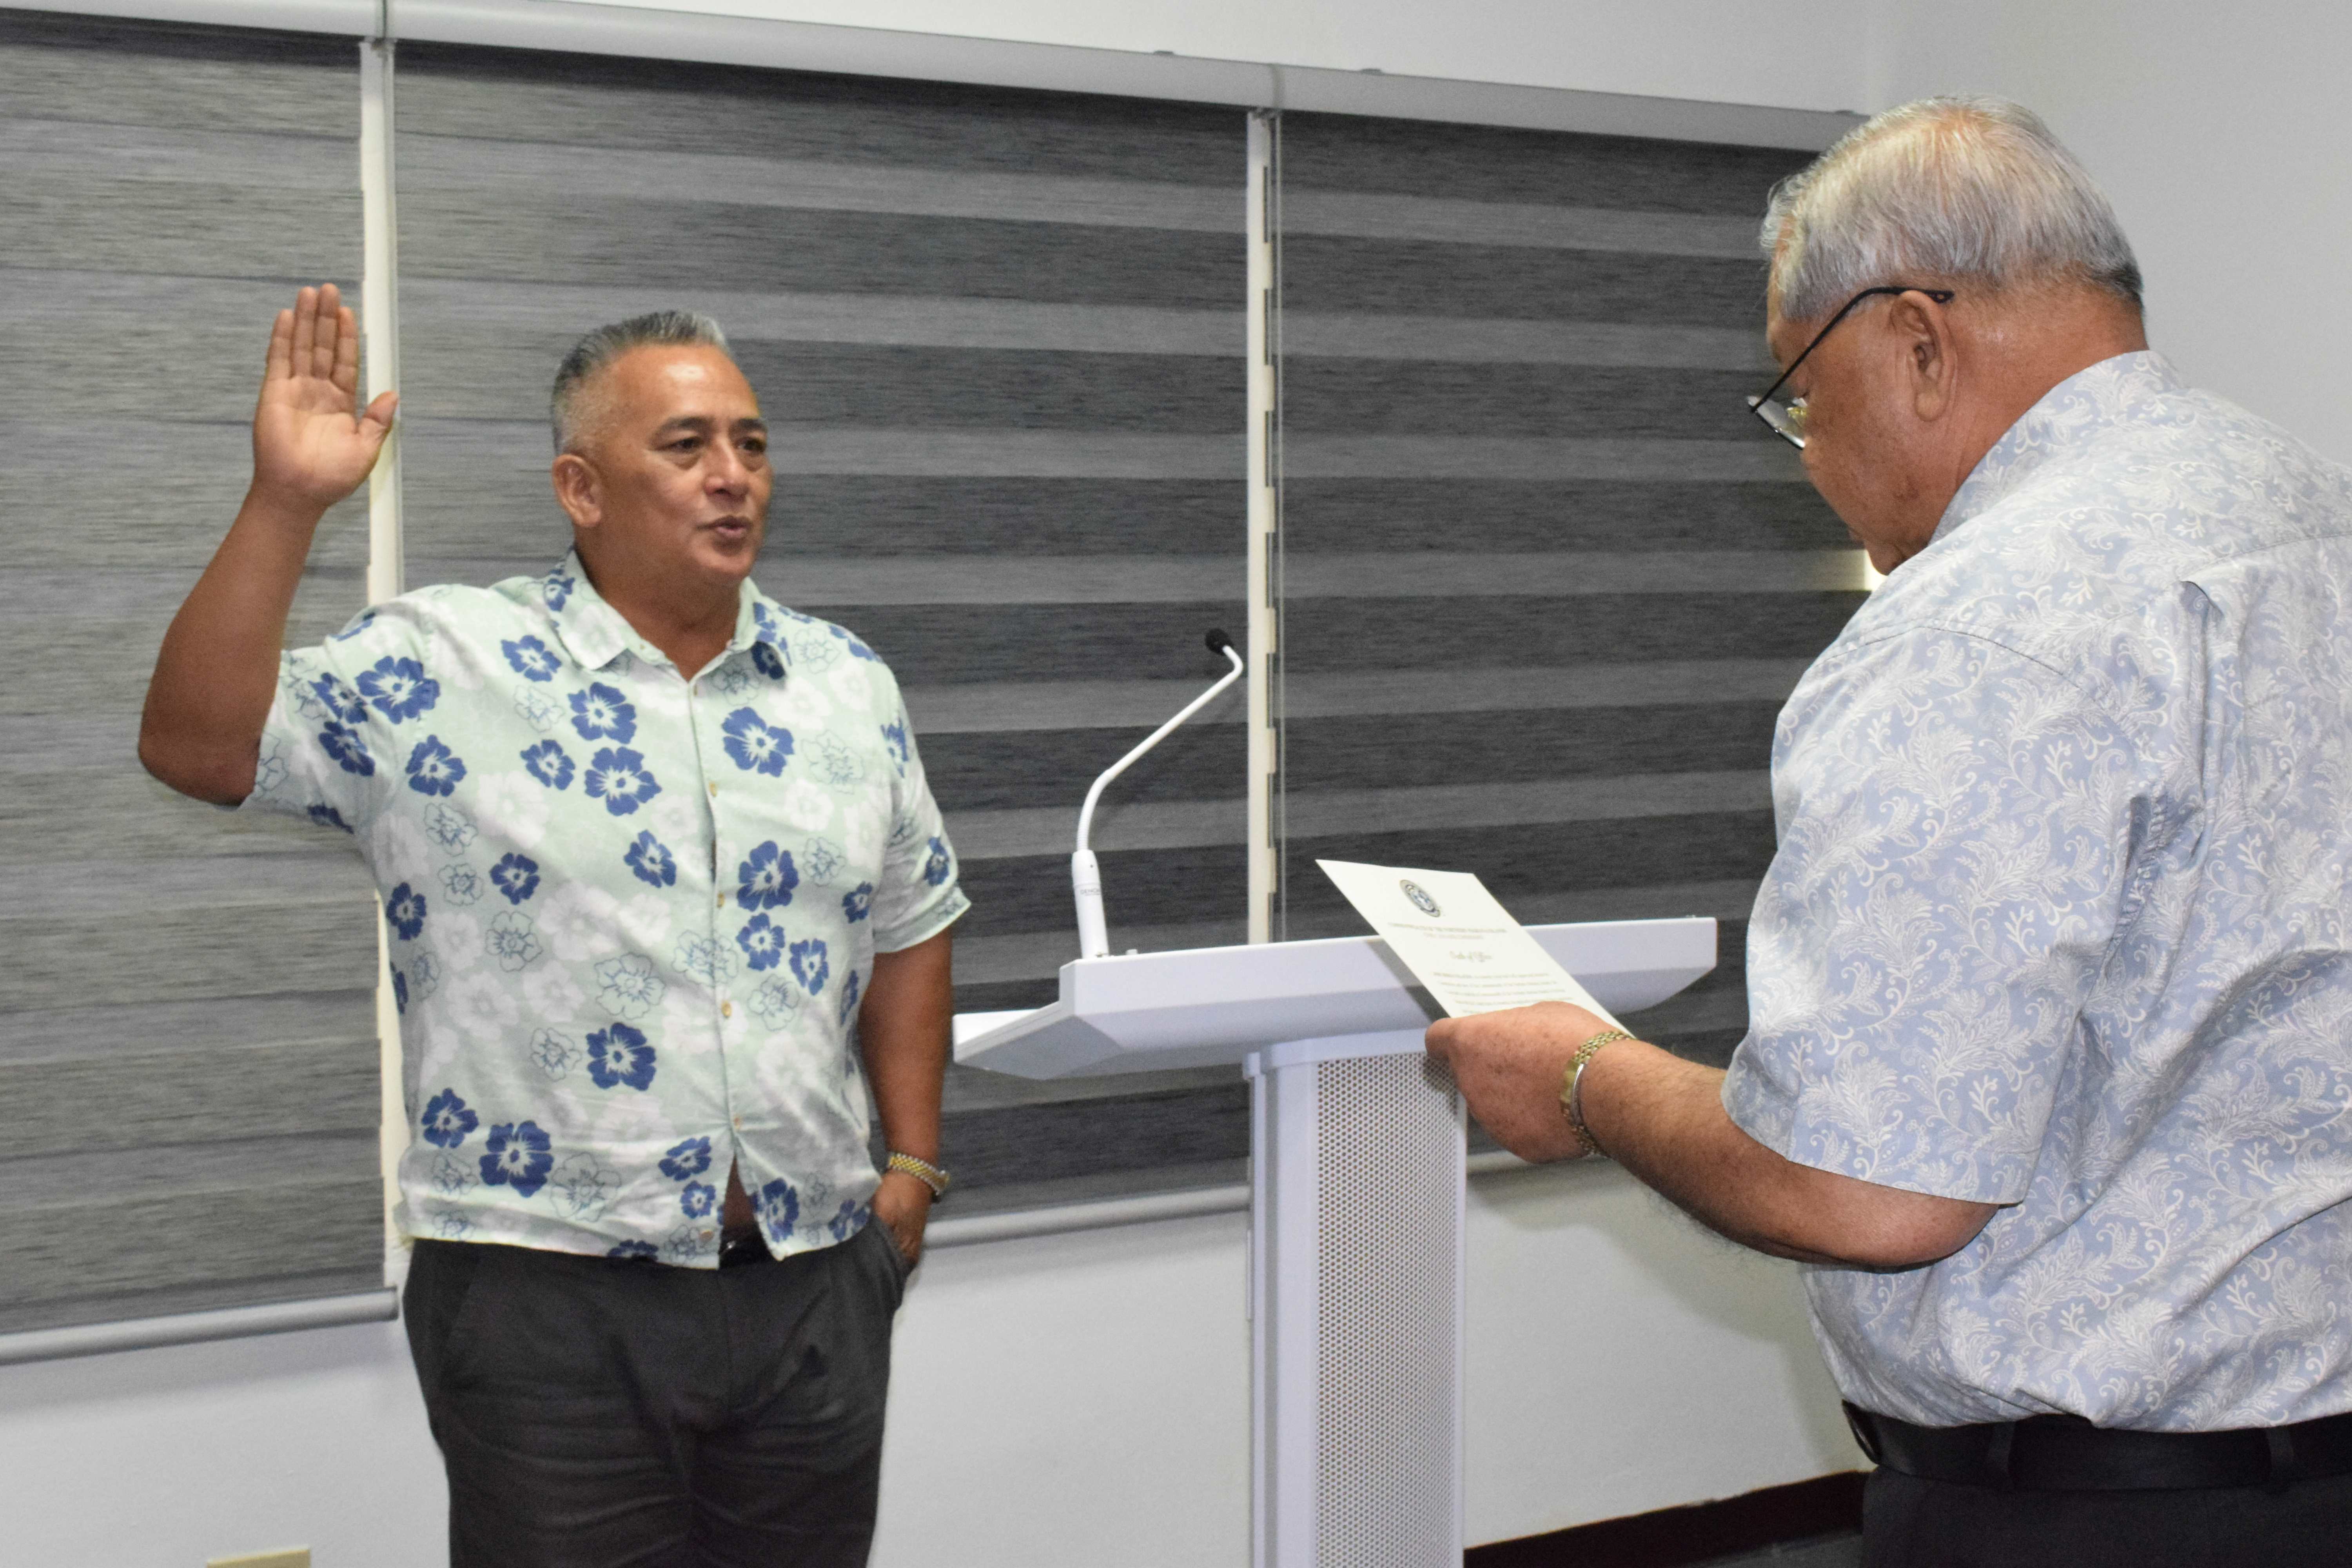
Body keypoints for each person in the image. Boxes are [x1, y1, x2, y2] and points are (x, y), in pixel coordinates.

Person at [1424, 98, 2352, 1566]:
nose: (1805, 454)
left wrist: (1584, 1079)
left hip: (2096, 1517)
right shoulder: (2308, 512)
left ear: (1918, 339)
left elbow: (1872, 1189)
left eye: (1799, 393)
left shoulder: (1979, 625)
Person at [140, 289, 967, 1566]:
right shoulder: (445, 663)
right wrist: (287, 504)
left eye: (749, 443)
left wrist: (910, 1167)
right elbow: (198, 748)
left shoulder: (847, 685)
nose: (732, 476)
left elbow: (912, 917)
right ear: (581, 489)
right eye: (685, 448)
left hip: (810, 1286)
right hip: (545, 1298)